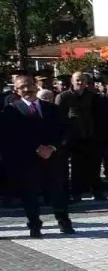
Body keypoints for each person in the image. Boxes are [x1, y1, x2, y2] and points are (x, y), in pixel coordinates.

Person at [0, 74, 74, 238]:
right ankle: (34, 225)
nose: (27, 90)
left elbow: (65, 131)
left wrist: (52, 147)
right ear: (16, 90)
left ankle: (64, 221)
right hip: (28, 160)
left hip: (53, 157)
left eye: (29, 85)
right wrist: (36, 148)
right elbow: (11, 136)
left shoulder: (52, 108)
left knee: (58, 191)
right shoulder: (11, 111)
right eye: (22, 87)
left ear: (36, 86)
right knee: (30, 194)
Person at [56, 71, 101, 201]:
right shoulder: (63, 97)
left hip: (90, 136)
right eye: (77, 80)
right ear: (72, 81)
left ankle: (96, 191)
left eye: (82, 80)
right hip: (72, 138)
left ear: (87, 83)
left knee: (94, 166)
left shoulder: (92, 96)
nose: (80, 83)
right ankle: (76, 193)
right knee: (75, 168)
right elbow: (58, 118)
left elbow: (97, 116)